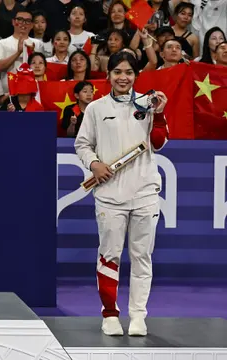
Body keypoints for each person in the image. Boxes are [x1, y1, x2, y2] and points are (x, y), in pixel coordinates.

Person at [74, 51, 169, 337]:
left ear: (136, 75)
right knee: (109, 255)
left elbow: (159, 143)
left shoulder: (149, 104)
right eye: (117, 72)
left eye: (128, 72)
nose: (123, 77)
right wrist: (94, 164)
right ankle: (110, 314)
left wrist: (161, 114)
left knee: (142, 256)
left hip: (145, 192)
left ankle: (138, 315)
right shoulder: (95, 108)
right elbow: (82, 144)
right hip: (109, 195)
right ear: (109, 75)